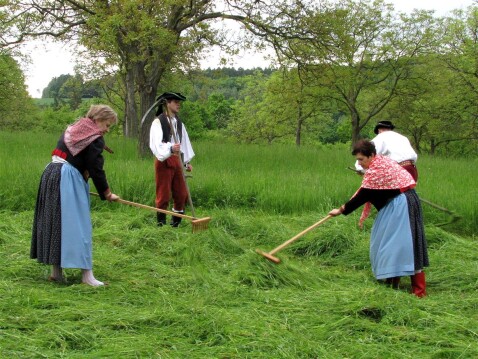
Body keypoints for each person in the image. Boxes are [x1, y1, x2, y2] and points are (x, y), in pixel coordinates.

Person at [31, 104, 120, 286]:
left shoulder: (74, 129)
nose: (106, 130)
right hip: (67, 178)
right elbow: (96, 168)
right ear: (98, 120)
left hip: (52, 174)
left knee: (57, 223)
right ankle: (87, 276)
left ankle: (56, 272)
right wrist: (107, 193)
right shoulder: (94, 137)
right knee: (79, 224)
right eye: (107, 125)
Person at [330, 139, 428, 297]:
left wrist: (341, 210)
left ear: (371, 155)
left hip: (403, 205)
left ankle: (419, 291)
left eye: (361, 159)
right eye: (357, 160)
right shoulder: (378, 164)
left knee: (404, 244)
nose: (359, 163)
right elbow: (365, 190)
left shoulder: (378, 169)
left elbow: (363, 195)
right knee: (386, 242)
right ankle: (392, 282)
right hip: (397, 203)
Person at [149, 92, 195, 227]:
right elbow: (156, 144)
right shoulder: (158, 121)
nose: (178, 104)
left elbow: (184, 143)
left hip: (178, 161)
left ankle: (175, 225)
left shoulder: (179, 123)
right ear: (167, 103)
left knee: (181, 194)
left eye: (178, 102)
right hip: (164, 161)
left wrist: (186, 162)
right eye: (175, 101)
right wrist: (169, 149)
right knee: (163, 194)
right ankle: (161, 225)